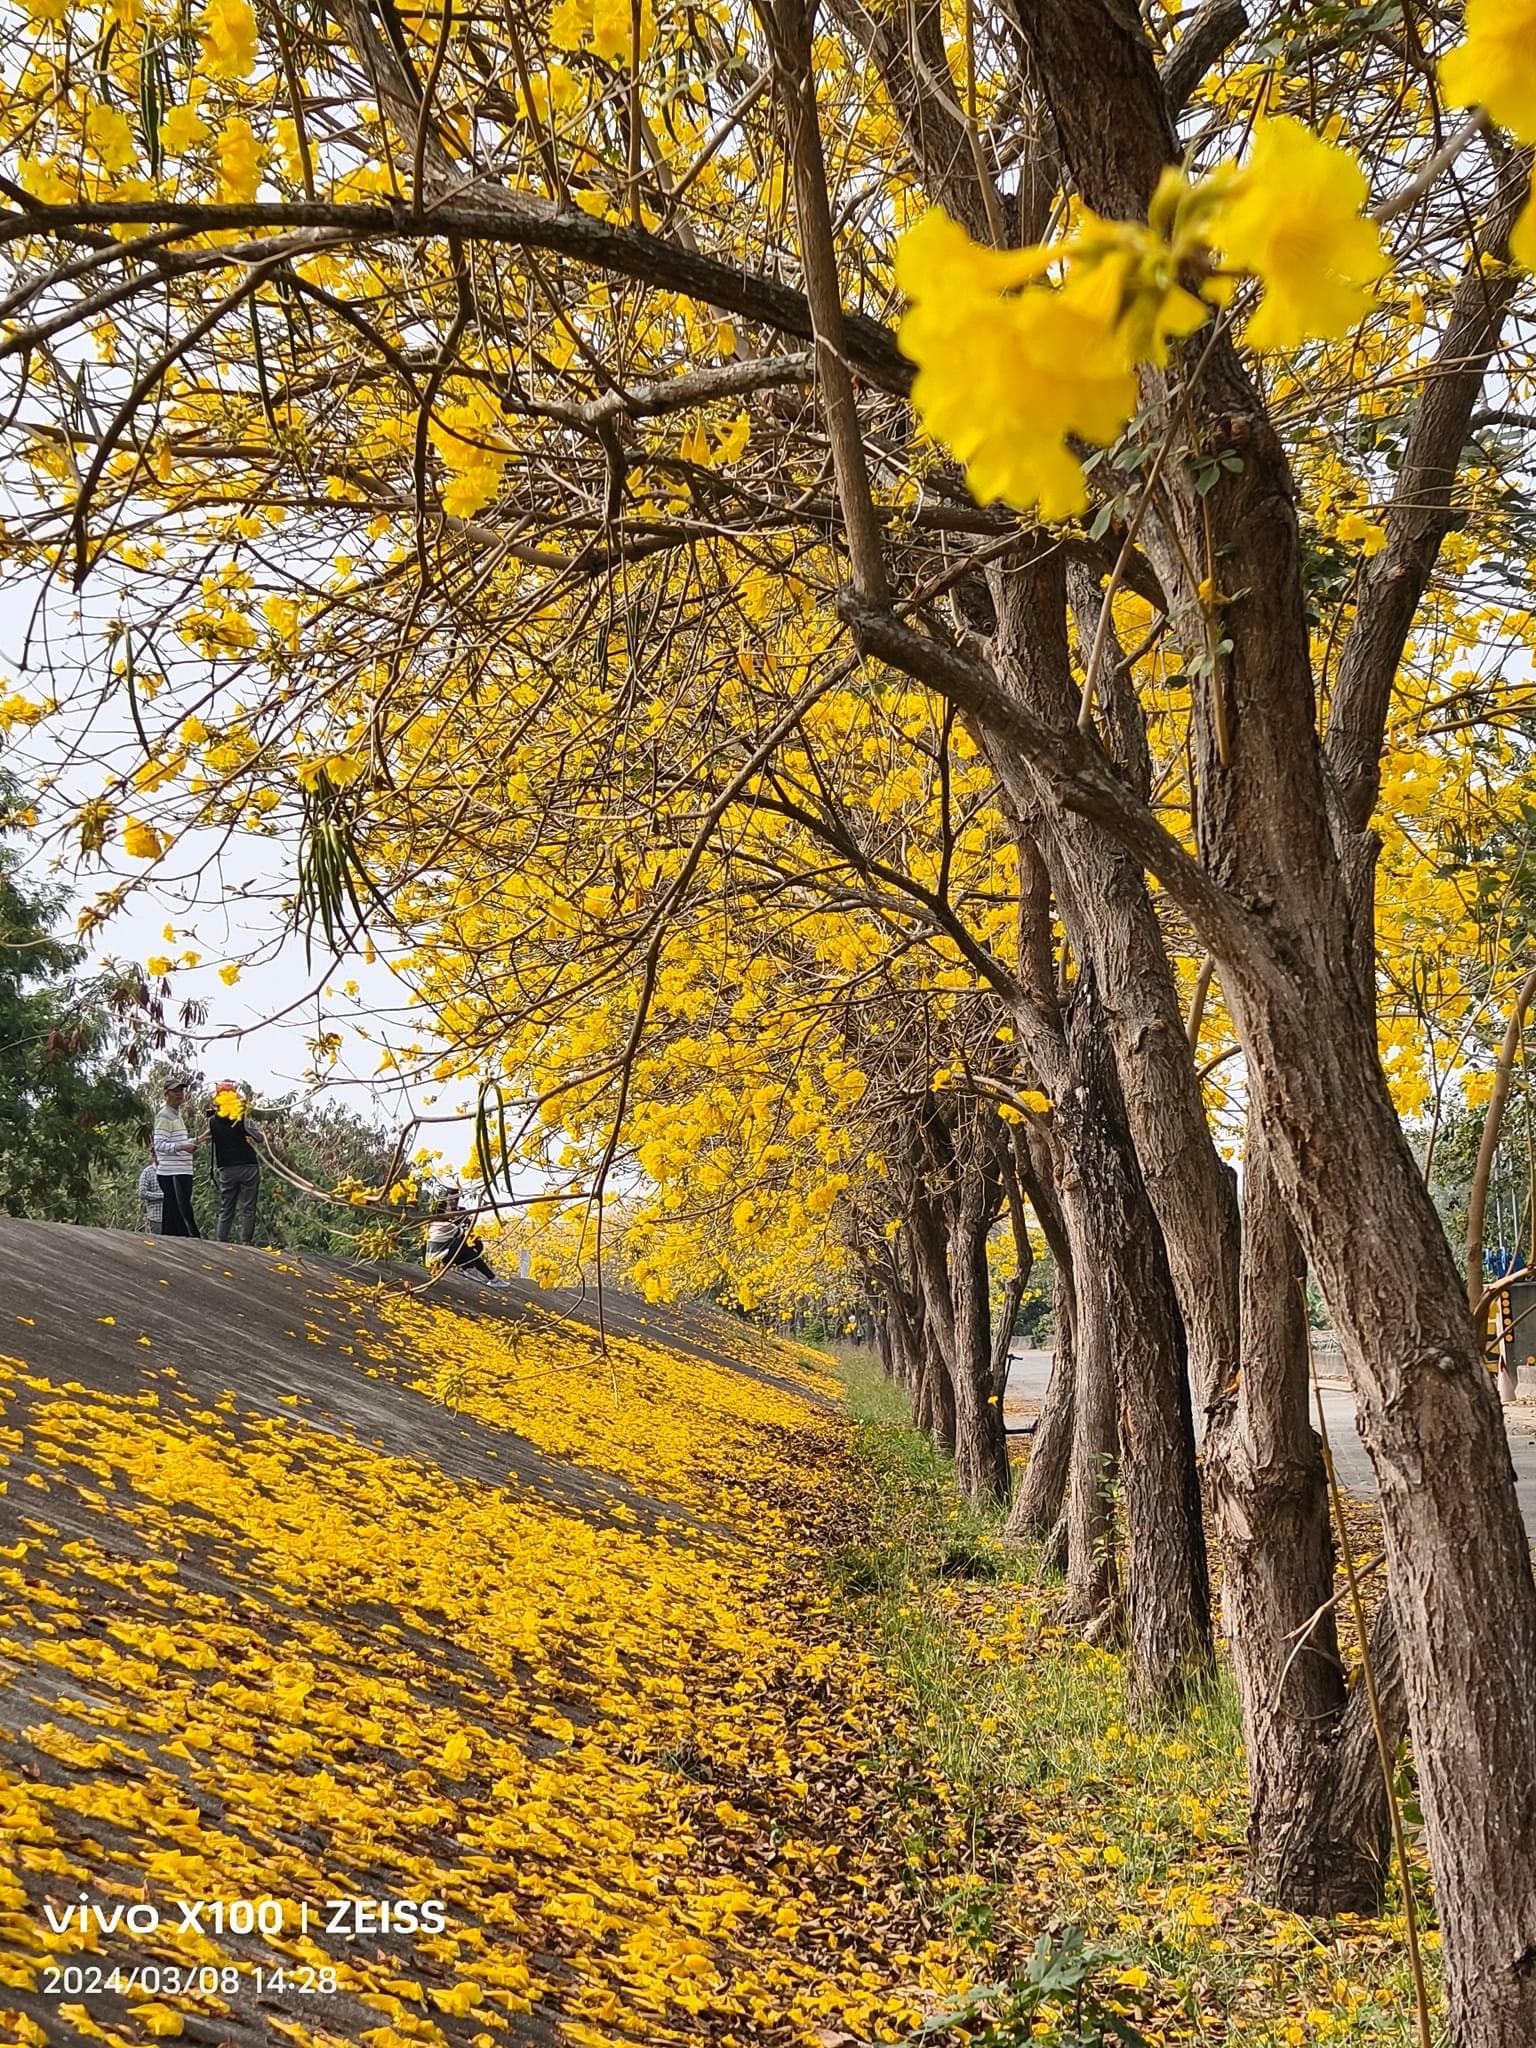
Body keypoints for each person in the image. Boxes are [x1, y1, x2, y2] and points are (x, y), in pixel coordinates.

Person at [208, 1079, 262, 1245]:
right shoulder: (242, 1118)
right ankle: (246, 1241)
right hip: (247, 1166)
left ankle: (221, 1240)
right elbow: (259, 1137)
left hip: (226, 1168)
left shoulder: (212, 1121)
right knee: (248, 1206)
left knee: (226, 1207)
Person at [152, 1075, 202, 1236]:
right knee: (183, 1214)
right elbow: (159, 1145)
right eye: (175, 1091)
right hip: (172, 1172)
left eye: (181, 1090)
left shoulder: (176, 1115)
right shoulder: (164, 1116)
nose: (179, 1093)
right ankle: (194, 1243)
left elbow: (177, 1141)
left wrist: (198, 1140)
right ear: (166, 1094)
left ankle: (167, 1242)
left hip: (182, 1170)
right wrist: (184, 1146)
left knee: (172, 1215)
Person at [424, 1189, 499, 1281]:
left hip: (444, 1249)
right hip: (441, 1255)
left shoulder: (458, 1213)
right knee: (463, 1243)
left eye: (456, 1199)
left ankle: (468, 1267)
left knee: (473, 1243)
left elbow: (468, 1228)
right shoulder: (445, 1224)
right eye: (451, 1200)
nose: (454, 1202)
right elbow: (464, 1233)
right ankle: (477, 1271)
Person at [135, 1149, 163, 1234]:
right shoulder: (148, 1172)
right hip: (156, 1217)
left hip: (172, 1217)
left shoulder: (171, 1171)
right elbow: (142, 1193)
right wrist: (162, 1196)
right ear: (153, 1156)